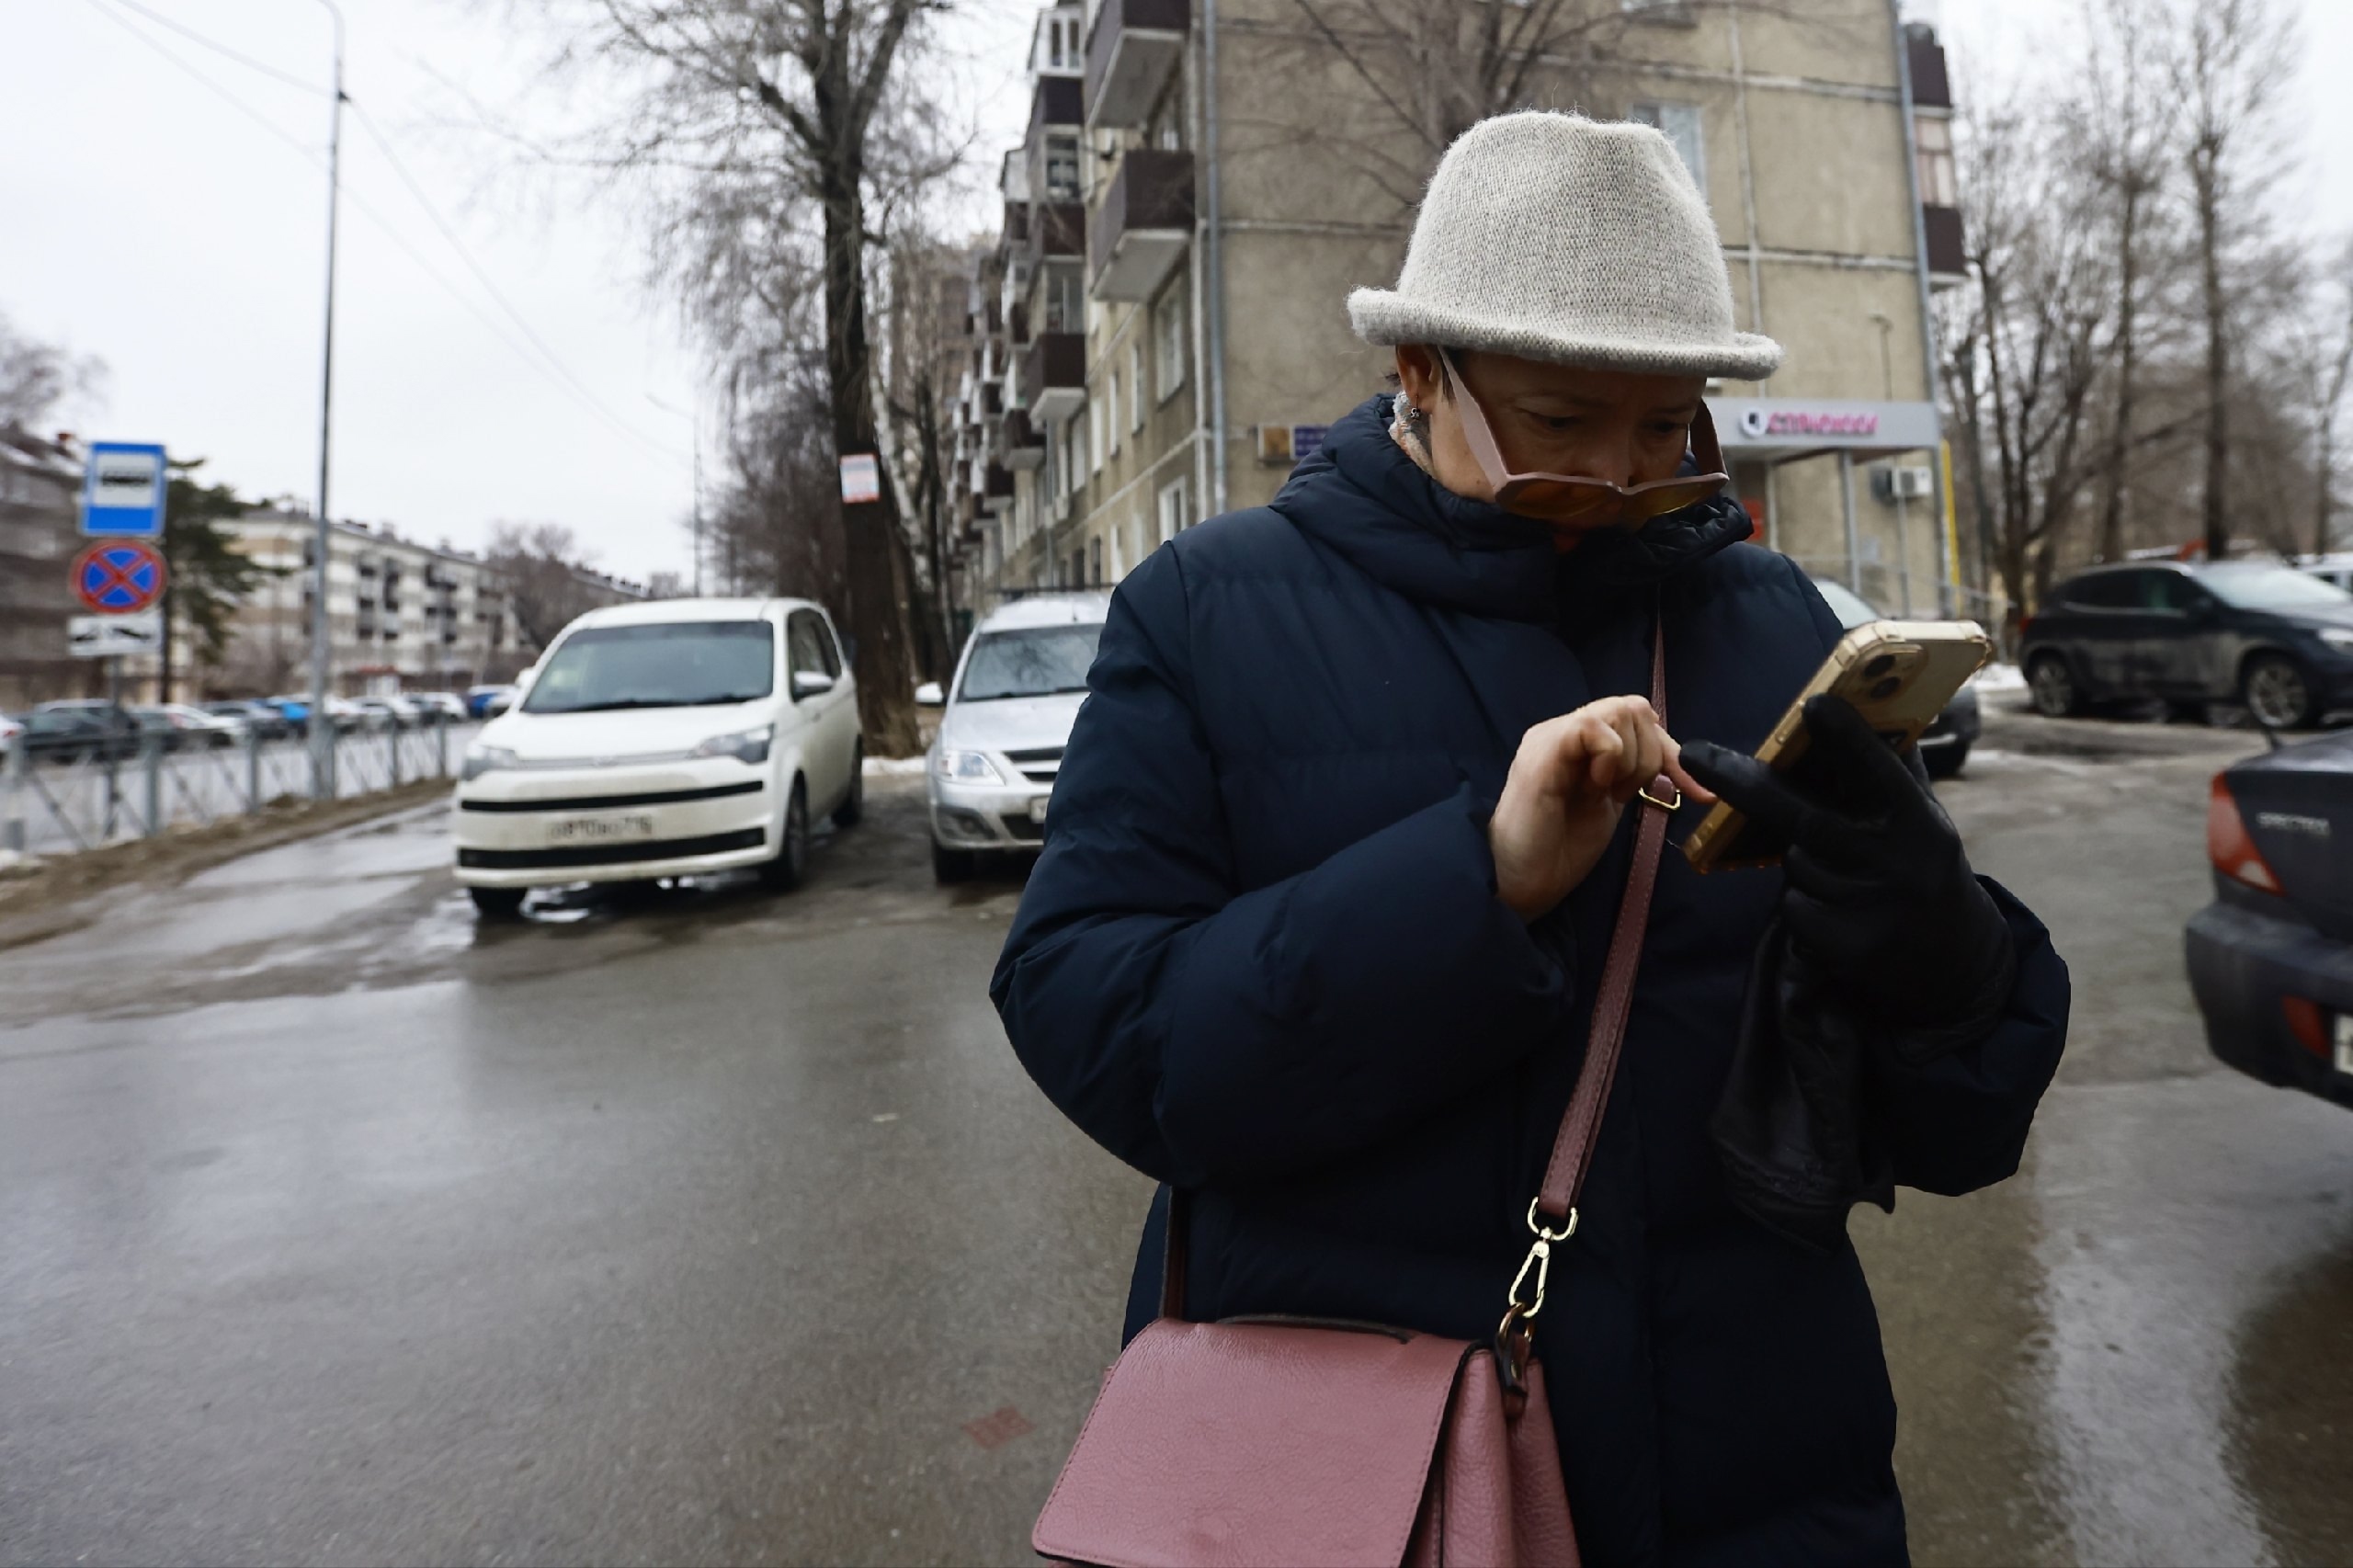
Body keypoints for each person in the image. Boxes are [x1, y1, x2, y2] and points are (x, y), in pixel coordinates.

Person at [992, 111, 2068, 1565]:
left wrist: (1939, 945)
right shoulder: (1206, 611)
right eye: (1562, 425)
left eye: (1664, 424)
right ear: (1419, 373)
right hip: (1371, 1490)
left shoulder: (1770, 623)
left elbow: (1955, 1132)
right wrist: (1473, 886)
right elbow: (1098, 1022)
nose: (1624, 477)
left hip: (1761, 1492)